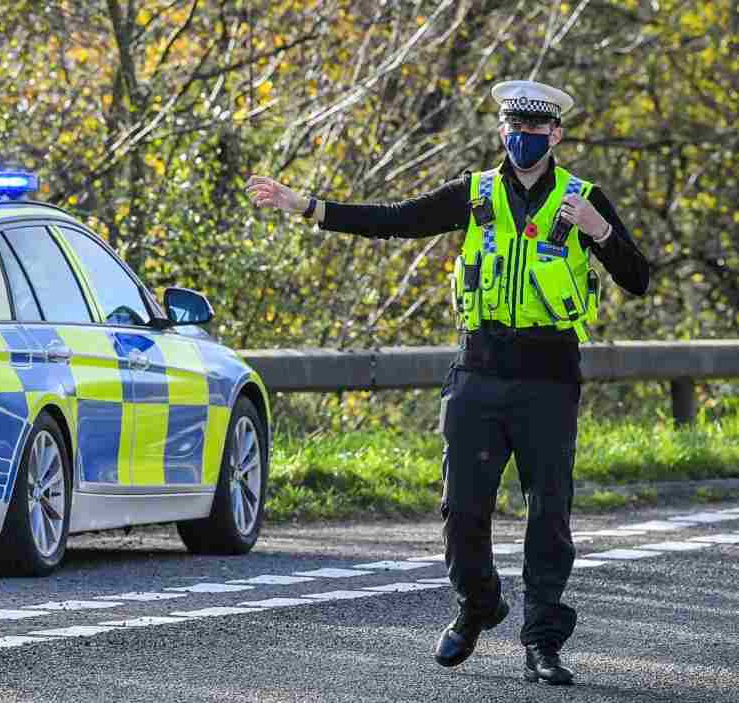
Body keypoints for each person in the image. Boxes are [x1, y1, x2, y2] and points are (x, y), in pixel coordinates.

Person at [246, 80, 650, 686]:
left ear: (556, 135)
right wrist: (305, 205)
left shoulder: (583, 198)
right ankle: (479, 604)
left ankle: (542, 642)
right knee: (462, 508)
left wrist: (599, 230)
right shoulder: (475, 194)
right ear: (501, 132)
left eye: (535, 130)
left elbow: (638, 278)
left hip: (548, 378)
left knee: (549, 516)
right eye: (513, 128)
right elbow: (394, 221)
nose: (522, 139)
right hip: (479, 372)